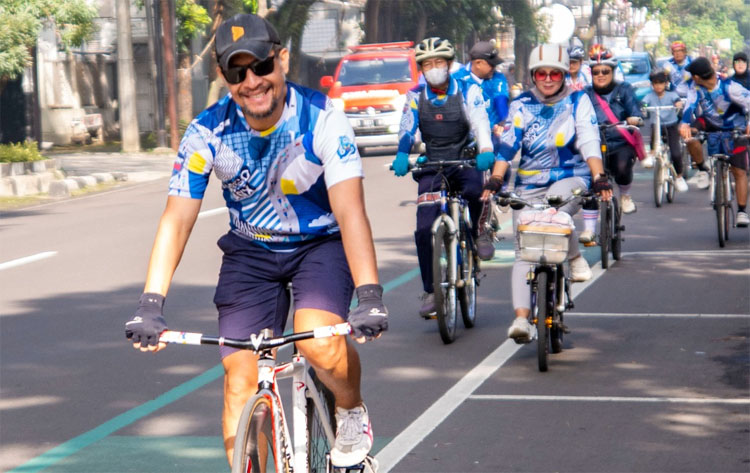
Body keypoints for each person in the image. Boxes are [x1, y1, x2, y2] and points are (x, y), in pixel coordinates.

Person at [124, 13, 388, 468]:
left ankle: (349, 407)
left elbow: (350, 213)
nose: (252, 82)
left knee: (319, 343)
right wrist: (151, 302)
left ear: (281, 59)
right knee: (239, 380)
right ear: (225, 77)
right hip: (251, 252)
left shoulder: (323, 118)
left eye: (261, 66)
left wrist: (369, 294)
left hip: (318, 245)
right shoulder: (207, 132)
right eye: (236, 72)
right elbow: (177, 220)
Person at [482, 43, 611, 342]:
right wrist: (497, 180)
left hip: (571, 178)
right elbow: (508, 145)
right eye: (542, 73)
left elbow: (590, 140)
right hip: (528, 185)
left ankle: (575, 255)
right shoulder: (520, 105)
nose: (549, 79)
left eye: (556, 73)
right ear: (533, 75)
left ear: (565, 74)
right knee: (523, 252)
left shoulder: (579, 101)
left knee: (555, 207)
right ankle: (521, 320)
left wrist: (599, 177)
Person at [391, 36, 494, 318]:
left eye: (439, 62)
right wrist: (402, 153)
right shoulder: (415, 96)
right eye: (427, 64)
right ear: (421, 69)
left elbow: (480, 122)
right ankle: (430, 289)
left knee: (475, 191)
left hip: (465, 159)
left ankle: (479, 232)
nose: (433, 68)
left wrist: (485, 149)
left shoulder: (468, 89)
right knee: (424, 227)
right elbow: (406, 128)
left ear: (449, 64)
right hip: (433, 163)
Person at [454, 40, 510, 260]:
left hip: (490, 134)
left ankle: (482, 226)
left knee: (497, 168)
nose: (494, 68)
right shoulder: (458, 80)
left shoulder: (497, 78)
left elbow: (501, 101)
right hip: (461, 140)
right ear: (477, 63)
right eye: (490, 63)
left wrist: (502, 122)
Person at [680, 56, 750, 227]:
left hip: (735, 127)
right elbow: (689, 106)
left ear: (697, 77)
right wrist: (684, 123)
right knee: (689, 136)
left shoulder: (730, 87)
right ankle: (703, 169)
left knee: (739, 171)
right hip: (710, 122)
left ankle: (741, 211)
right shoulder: (695, 87)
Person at [585, 44, 644, 215]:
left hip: (620, 142)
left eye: (605, 71)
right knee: (585, 178)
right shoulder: (585, 93)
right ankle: (590, 226)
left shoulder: (624, 89)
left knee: (622, 166)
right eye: (596, 72)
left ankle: (625, 196)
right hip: (593, 143)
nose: (600, 75)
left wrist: (634, 119)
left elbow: (635, 111)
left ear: (612, 71)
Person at [641, 70, 689, 192]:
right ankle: (651, 154)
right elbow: (644, 103)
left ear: (666, 84)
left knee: (676, 153)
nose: (658, 86)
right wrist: (644, 107)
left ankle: (679, 176)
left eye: (661, 83)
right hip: (656, 125)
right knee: (653, 140)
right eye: (655, 83)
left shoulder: (671, 95)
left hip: (671, 126)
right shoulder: (649, 96)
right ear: (652, 84)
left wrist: (678, 105)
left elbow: (677, 101)